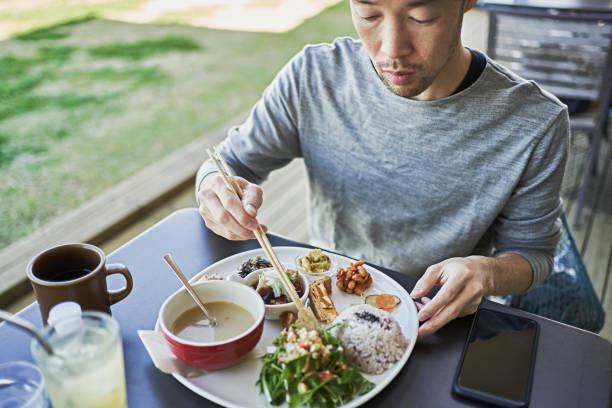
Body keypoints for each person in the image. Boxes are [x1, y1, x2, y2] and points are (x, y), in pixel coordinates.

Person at [195, 0, 569, 339]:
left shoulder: (535, 122)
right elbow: (230, 162)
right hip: (323, 309)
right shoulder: (315, 76)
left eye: (421, 17)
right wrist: (215, 188)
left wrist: (486, 273)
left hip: (435, 322)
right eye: (369, 13)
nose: (392, 49)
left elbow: (531, 253)